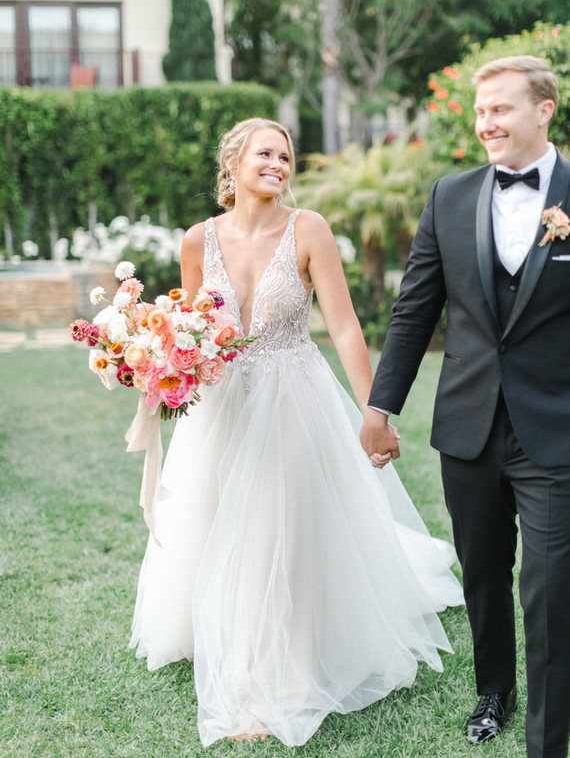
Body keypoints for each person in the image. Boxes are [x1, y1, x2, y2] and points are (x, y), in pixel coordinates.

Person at [129, 117, 463, 746]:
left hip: (293, 398)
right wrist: (157, 364)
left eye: (286, 157)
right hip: (222, 405)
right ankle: (218, 626)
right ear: (233, 162)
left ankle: (274, 679)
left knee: (275, 525)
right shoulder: (198, 239)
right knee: (215, 516)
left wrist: (374, 411)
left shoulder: (307, 229)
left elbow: (342, 327)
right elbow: (191, 331)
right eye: (266, 153)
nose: (279, 165)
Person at [360, 56, 570, 758]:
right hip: (468, 425)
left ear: (544, 110)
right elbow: (415, 309)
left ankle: (547, 735)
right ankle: (494, 691)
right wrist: (380, 406)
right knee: (482, 569)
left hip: (556, 427)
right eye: (480, 112)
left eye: (501, 109)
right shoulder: (449, 196)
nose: (486, 123)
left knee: (546, 584)